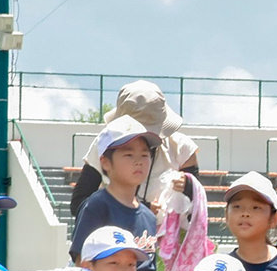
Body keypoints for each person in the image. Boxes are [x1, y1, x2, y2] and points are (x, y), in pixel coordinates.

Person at [69, 116, 175, 271]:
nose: (139, 160)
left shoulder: (148, 214)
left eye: (145, 154)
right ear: (105, 162)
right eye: (128, 154)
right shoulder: (97, 205)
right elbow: (80, 266)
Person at [69, 79, 199, 217]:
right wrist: (136, 210)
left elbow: (196, 210)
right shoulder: (104, 143)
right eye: (128, 152)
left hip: (169, 237)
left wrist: (190, 188)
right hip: (115, 234)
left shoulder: (182, 148)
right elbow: (79, 204)